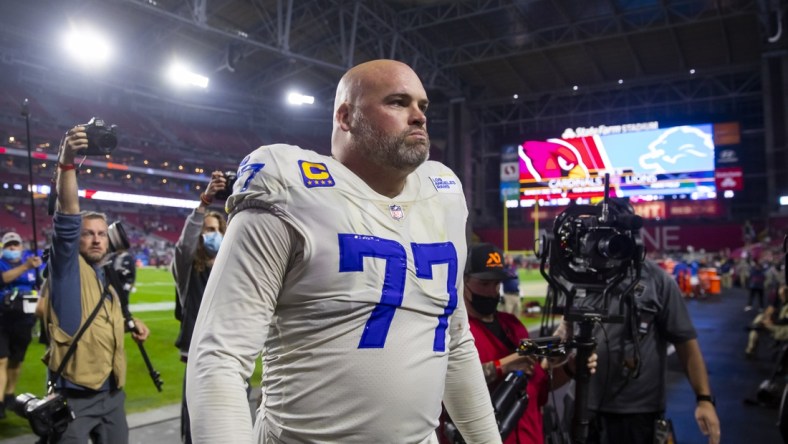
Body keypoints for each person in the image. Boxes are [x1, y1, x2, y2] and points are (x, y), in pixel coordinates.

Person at [186, 59, 500, 443]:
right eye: (398, 102)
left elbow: (454, 340)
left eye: (423, 106)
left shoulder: (443, 194)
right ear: (347, 117)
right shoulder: (290, 188)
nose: (418, 116)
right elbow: (219, 357)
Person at [40, 124, 150, 443]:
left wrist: (131, 323)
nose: (97, 239)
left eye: (102, 233)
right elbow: (68, 215)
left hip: (113, 394)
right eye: (88, 233)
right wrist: (67, 159)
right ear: (75, 240)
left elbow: (100, 319)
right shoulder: (67, 267)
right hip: (74, 396)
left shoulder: (105, 277)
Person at [566, 237, 721, 443]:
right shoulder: (578, 276)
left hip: (636, 412)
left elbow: (686, 343)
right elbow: (565, 334)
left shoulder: (657, 280)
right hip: (581, 402)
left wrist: (704, 400)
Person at [454, 242, 595, 444]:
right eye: (484, 284)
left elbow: (540, 386)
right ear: (463, 281)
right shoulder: (456, 331)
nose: (492, 291)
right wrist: (503, 366)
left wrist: (571, 368)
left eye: (496, 284)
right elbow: (454, 387)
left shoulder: (513, 325)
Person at [172, 173, 228, 444]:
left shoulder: (233, 269)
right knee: (197, 430)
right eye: (207, 229)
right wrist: (204, 202)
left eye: (217, 229)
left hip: (232, 360)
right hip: (200, 360)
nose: (212, 234)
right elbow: (184, 244)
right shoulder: (186, 269)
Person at [0, 231, 42, 419]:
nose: (12, 248)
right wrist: (26, 266)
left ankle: (9, 394)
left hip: (24, 320)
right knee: (1, 360)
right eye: (9, 245)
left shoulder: (33, 265)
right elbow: (3, 279)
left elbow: (39, 289)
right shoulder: (2, 264)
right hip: (2, 318)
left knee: (16, 360)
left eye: (15, 244)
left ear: (21, 247)